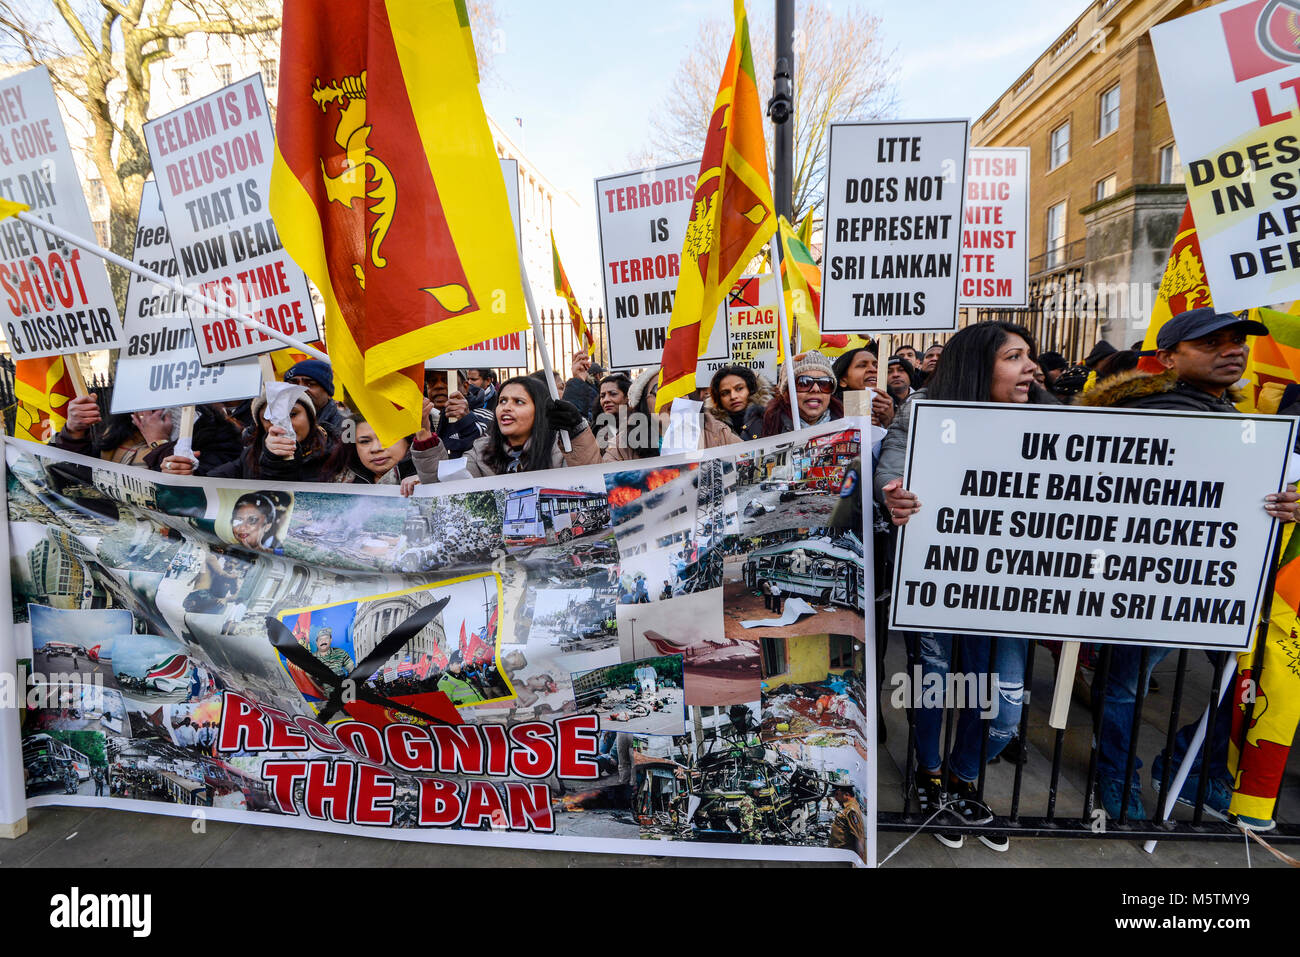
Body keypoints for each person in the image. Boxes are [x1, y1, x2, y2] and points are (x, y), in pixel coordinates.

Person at [1077, 307, 1299, 822]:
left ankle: (1188, 765)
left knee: (1241, 678)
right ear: (1170, 357)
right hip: (1143, 583)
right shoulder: (1146, 414)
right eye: (1212, 343)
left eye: (1237, 342)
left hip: (1220, 581)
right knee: (1126, 683)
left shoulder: (1239, 422)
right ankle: (1117, 773)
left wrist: (1281, 504)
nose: (1233, 350)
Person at [875, 320, 1055, 852]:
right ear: (979, 363)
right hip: (937, 581)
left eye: (1028, 356)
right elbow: (891, 469)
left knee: (1003, 709)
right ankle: (932, 779)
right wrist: (894, 494)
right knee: (937, 685)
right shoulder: (924, 410)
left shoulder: (1052, 418)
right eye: (1013, 357)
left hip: (1012, 593)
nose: (1029, 367)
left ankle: (963, 774)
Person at [412, 374, 599, 481]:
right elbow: (446, 490)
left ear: (539, 411)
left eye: (519, 402)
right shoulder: (480, 451)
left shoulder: (560, 450)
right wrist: (424, 432)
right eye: (502, 401)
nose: (507, 407)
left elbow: (592, 483)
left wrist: (577, 432)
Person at [198, 394, 347, 482]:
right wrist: (186, 474)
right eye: (270, 417)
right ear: (261, 425)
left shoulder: (339, 453)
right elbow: (209, 486)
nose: (283, 423)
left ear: (310, 417)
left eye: (292, 414)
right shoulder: (250, 457)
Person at [603, 365, 740, 459]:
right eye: (660, 391)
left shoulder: (718, 433)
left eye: (679, 390)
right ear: (644, 404)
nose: (672, 398)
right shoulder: (621, 448)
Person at [56, 396, 174, 467]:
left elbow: (175, 490)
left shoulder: (188, 433)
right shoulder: (120, 428)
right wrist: (74, 431)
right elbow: (83, 470)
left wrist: (158, 442)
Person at [746, 351, 842, 438]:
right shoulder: (760, 428)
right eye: (803, 383)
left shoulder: (849, 426)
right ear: (785, 393)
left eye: (824, 383)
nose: (815, 389)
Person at [338, 414, 418, 493]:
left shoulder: (425, 479)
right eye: (365, 441)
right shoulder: (339, 480)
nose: (376, 448)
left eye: (386, 438)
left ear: (408, 440)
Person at [831, 345, 894, 428]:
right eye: (862, 365)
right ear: (843, 380)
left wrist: (888, 421)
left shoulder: (896, 406)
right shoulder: (829, 411)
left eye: (876, 366)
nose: (873, 370)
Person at [705, 365, 772, 441]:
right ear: (718, 398)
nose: (733, 396)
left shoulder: (771, 418)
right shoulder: (709, 427)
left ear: (750, 390)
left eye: (739, 388)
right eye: (725, 393)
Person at [284, 360, 346, 434]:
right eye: (294, 384)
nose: (300, 389)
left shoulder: (348, 429)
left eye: (310, 384)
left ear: (328, 394)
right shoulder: (275, 425)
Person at [828, 784, 866, 858]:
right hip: (839, 855)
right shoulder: (848, 808)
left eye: (837, 794)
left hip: (843, 857)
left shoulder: (851, 810)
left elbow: (858, 836)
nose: (835, 798)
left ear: (846, 794)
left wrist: (859, 860)